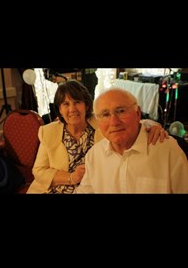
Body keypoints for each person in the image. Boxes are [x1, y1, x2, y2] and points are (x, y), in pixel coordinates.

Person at [27, 81, 168, 194]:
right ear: (59, 110)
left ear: (86, 105)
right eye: (66, 104)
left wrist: (152, 125)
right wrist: (71, 177)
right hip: (54, 189)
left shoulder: (101, 122)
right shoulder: (48, 131)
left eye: (77, 102)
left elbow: (125, 121)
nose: (72, 109)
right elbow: (39, 171)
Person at [75, 87, 188, 194]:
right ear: (98, 122)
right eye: (105, 115)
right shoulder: (94, 156)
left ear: (138, 113)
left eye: (121, 111)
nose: (114, 122)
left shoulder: (168, 150)